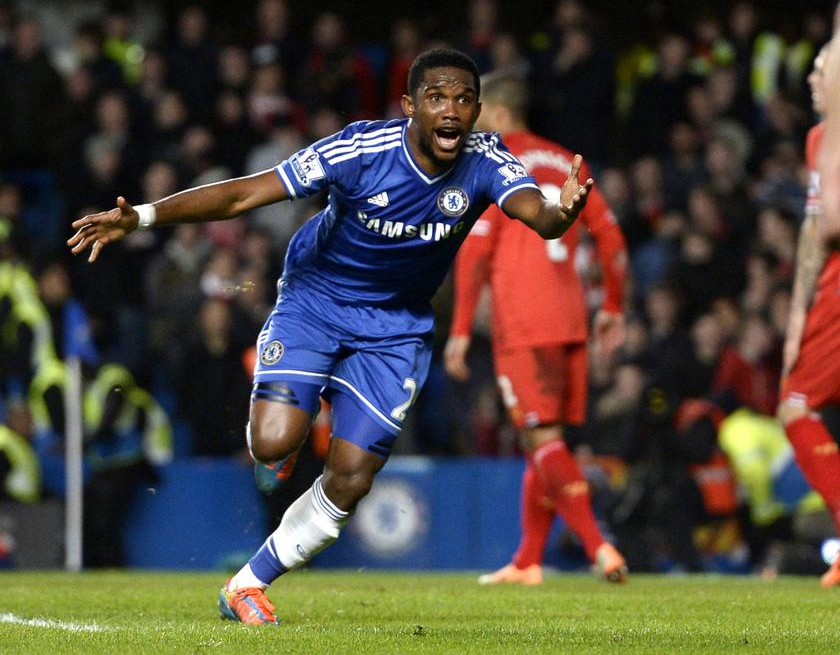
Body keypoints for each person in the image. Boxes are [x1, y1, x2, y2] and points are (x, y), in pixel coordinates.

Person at [67, 49, 595, 625]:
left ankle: (246, 586)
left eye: (465, 99)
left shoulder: (487, 157)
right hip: (315, 302)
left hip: (395, 329)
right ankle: (287, 432)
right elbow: (245, 193)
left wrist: (561, 212)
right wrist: (141, 217)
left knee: (351, 476)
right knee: (271, 443)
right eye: (438, 98)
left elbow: (538, 214)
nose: (452, 111)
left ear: (477, 110)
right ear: (410, 104)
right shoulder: (361, 150)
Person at [443, 72, 628, 585]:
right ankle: (528, 560)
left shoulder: (495, 162)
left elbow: (476, 252)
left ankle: (599, 546)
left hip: (523, 323)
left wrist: (459, 329)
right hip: (571, 321)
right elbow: (612, 241)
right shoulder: (569, 160)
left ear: (499, 113)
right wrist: (612, 304)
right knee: (542, 441)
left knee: (541, 436)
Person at [778, 42, 840, 587]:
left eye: (823, 67)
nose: (812, 76)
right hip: (829, 293)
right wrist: (798, 316)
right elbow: (814, 232)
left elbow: (826, 230)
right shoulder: (818, 138)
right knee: (797, 408)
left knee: (796, 409)